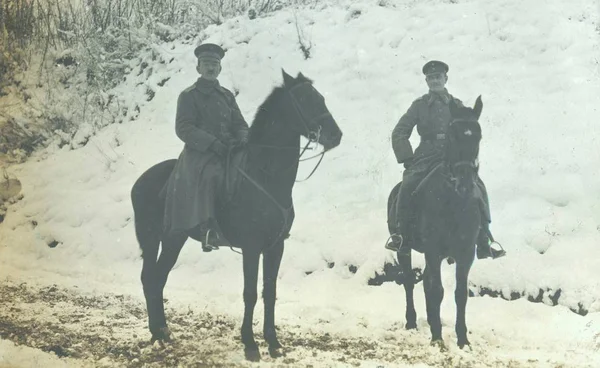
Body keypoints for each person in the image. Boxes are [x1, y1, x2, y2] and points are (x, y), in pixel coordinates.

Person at [386, 60, 506, 260]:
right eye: (431, 78)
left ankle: (485, 239)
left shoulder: (457, 105)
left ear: (445, 78)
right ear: (426, 81)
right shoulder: (419, 106)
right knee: (407, 185)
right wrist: (407, 157)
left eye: (438, 77)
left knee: (478, 187)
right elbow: (400, 131)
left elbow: (469, 130)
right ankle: (400, 235)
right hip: (425, 157)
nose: (435, 81)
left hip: (453, 159)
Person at [162, 43, 249, 252]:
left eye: (215, 64)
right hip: (200, 154)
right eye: (207, 64)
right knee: (212, 175)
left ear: (220, 68)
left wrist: (244, 137)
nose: (211, 68)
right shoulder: (189, 96)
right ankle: (208, 228)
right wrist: (212, 143)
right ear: (198, 68)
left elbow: (239, 123)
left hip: (228, 150)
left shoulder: (227, 95)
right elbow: (183, 128)